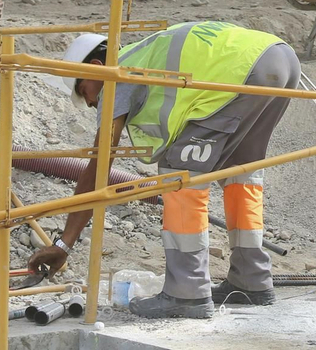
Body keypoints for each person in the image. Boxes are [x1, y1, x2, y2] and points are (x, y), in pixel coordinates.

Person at [28, 23, 300, 320]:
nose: (91, 102)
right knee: (240, 173)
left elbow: (98, 166)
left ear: (95, 68)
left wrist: (64, 243)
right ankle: (251, 280)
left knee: (179, 172)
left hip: (246, 69)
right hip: (280, 58)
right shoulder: (147, 56)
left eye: (84, 91)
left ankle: (187, 293)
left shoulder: (118, 73)